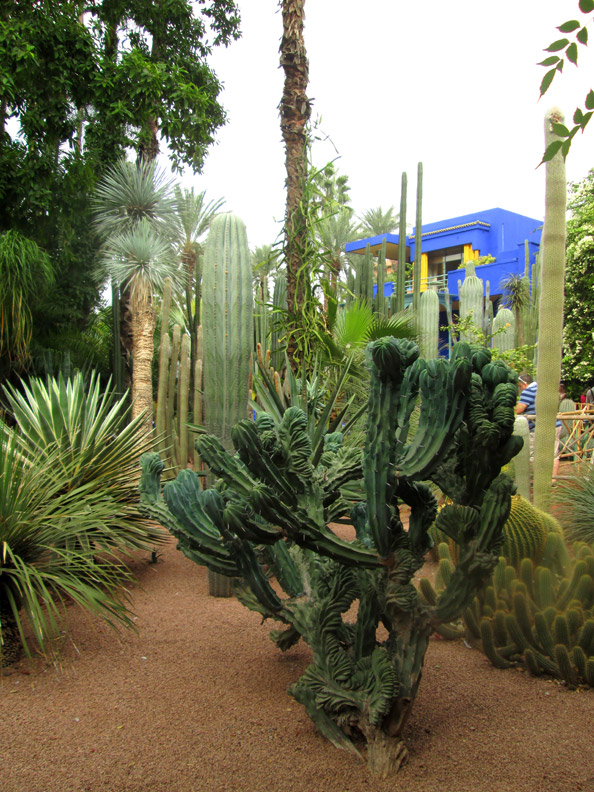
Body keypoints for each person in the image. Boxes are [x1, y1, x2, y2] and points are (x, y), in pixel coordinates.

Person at [515, 374, 562, 475]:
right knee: (553, 454)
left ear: (525, 384)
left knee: (532, 454)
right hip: (555, 425)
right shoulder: (545, 388)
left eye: (520, 386)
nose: (520, 389)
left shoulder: (529, 391)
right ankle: (553, 480)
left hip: (538, 427)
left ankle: (535, 478)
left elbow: (519, 409)